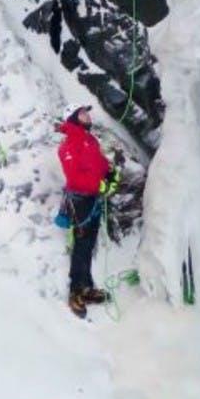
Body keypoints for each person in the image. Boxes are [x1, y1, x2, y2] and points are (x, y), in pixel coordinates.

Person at [56, 106, 120, 317]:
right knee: (82, 245)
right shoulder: (69, 144)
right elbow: (74, 175)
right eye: (83, 113)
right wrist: (99, 185)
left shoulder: (89, 140)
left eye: (88, 113)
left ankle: (86, 288)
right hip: (81, 200)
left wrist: (109, 171)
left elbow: (97, 164)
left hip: (91, 198)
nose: (88, 116)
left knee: (89, 244)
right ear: (73, 118)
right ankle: (76, 292)